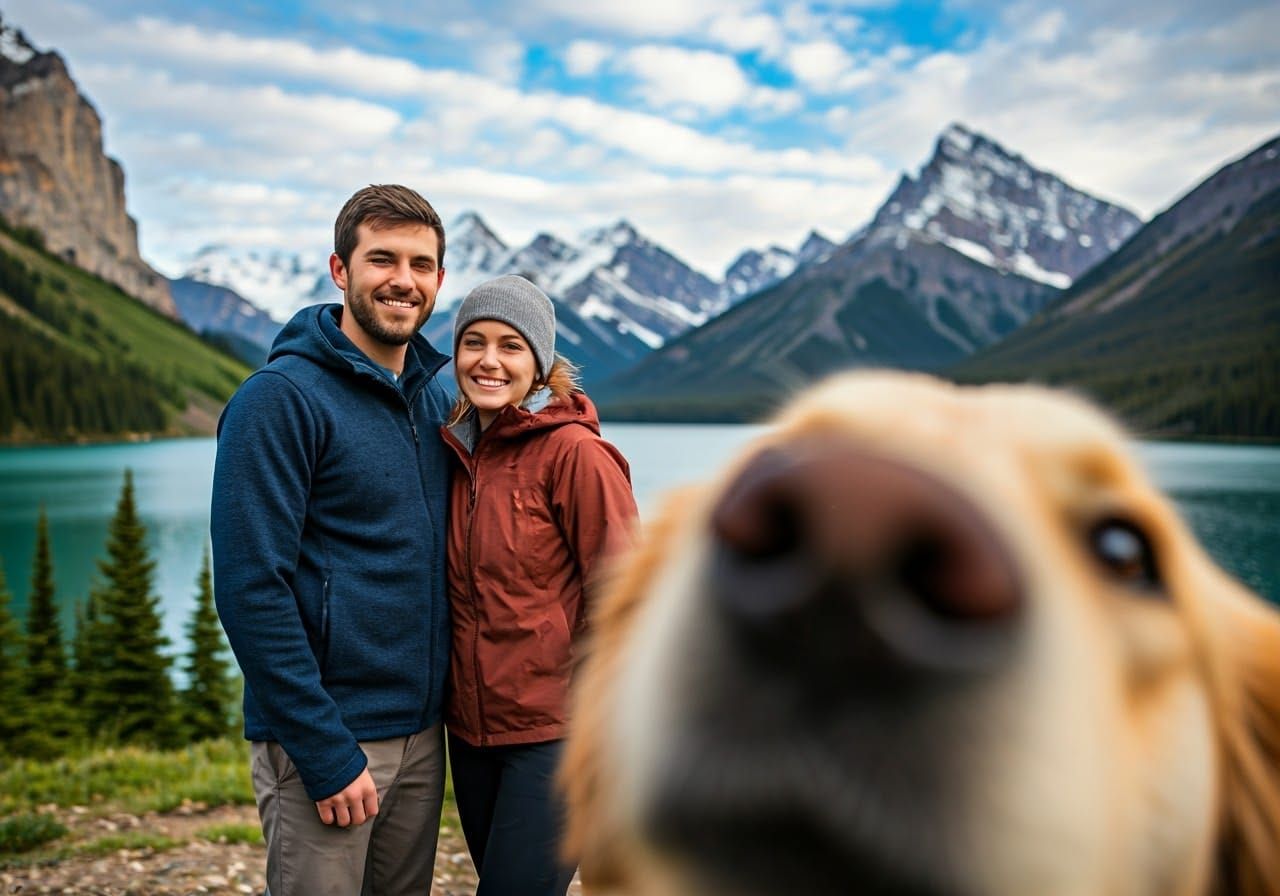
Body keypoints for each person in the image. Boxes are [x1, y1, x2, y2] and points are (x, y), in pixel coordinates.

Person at [210, 184, 453, 896]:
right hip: (328, 740)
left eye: (421, 264)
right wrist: (323, 749)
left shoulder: (436, 395)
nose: (403, 281)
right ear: (340, 271)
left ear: (439, 279)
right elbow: (252, 587)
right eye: (382, 260)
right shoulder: (278, 401)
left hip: (422, 737)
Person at [441, 275, 638, 895]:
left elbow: (625, 598)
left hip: (553, 736)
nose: (489, 361)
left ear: (540, 363)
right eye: (474, 342)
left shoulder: (576, 455)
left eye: (511, 345)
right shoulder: (460, 453)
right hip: (471, 734)